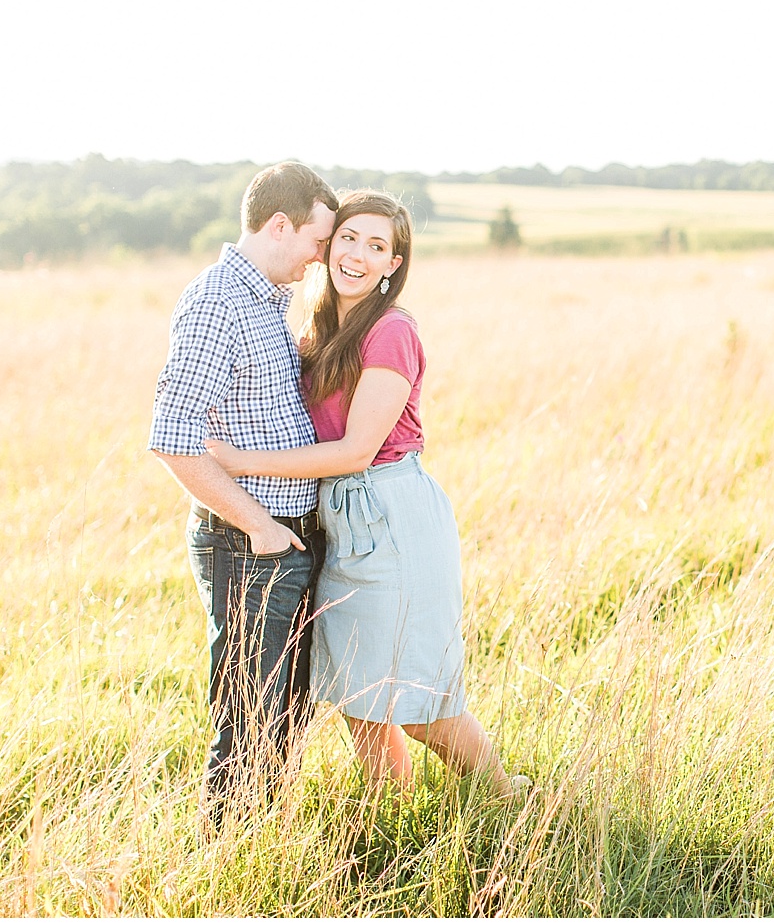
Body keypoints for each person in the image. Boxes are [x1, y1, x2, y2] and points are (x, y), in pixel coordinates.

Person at [206, 189, 527, 800]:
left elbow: (356, 449)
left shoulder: (391, 331)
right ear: (327, 245)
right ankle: (391, 821)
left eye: (376, 246)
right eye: (348, 237)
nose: (356, 254)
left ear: (392, 266)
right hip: (337, 516)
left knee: (417, 700)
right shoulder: (317, 326)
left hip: (389, 513)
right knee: (361, 694)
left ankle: (505, 796)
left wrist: (237, 461)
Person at [148, 161, 338, 826]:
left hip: (285, 537)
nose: (321, 258)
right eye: (318, 241)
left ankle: (263, 856)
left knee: (284, 717)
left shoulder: (266, 300)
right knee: (247, 722)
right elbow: (172, 437)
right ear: (279, 225)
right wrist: (258, 525)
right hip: (249, 542)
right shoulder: (217, 301)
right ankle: (222, 867)